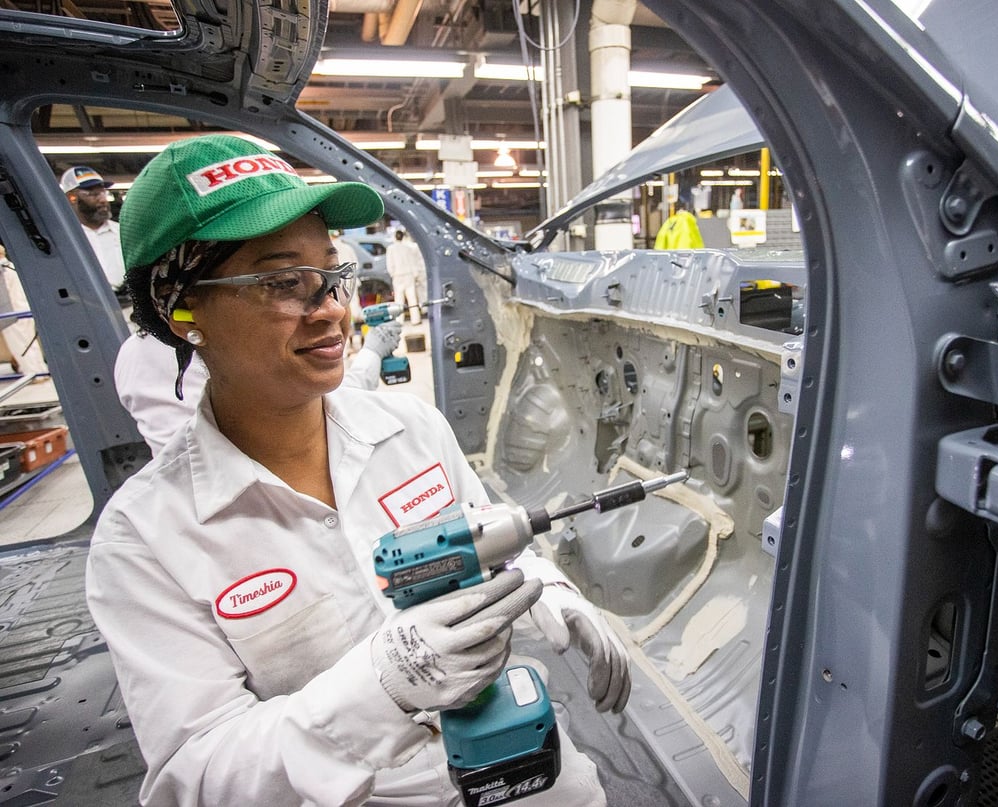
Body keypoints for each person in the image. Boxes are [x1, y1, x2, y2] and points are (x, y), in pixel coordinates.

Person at [85, 134, 629, 807]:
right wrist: (378, 687)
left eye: (332, 275)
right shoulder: (145, 539)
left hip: (530, 775)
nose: (334, 310)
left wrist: (550, 587)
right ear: (182, 307)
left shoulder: (412, 429)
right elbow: (196, 776)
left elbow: (486, 537)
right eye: (283, 282)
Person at [114, 318, 403, 455]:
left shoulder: (128, 353)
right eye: (283, 284)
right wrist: (372, 353)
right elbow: (336, 404)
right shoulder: (225, 351)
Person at [60, 165, 127, 292]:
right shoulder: (64, 239)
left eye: (103, 192)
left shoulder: (123, 232)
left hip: (129, 307)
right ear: (72, 197)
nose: (102, 200)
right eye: (93, 194)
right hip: (88, 309)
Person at [0, 245, 48, 378]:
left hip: (13, 312)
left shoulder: (3, 270)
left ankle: (35, 374)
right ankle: (38, 371)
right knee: (27, 344)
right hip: (21, 309)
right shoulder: (12, 266)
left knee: (21, 344)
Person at [385, 229, 426, 325]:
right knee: (412, 298)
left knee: (399, 300)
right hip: (408, 275)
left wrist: (393, 274)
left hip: (398, 276)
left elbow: (389, 264)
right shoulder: (408, 248)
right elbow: (413, 263)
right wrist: (415, 275)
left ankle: (399, 320)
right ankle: (415, 319)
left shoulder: (391, 248)